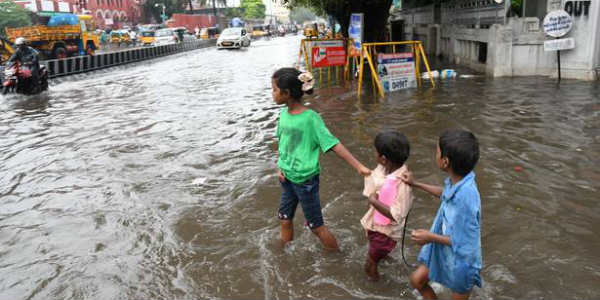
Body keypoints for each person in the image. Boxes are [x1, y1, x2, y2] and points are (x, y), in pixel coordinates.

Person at [272, 67, 371, 251]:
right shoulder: (283, 115)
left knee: (316, 227)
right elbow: (283, 143)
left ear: (287, 93)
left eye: (274, 90)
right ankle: (284, 256)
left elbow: (333, 144)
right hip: (287, 178)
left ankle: (337, 257)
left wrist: (359, 166)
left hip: (305, 181)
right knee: (284, 219)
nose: (272, 93)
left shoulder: (311, 118)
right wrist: (280, 166)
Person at [401, 129, 482, 300]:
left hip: (463, 262)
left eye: (437, 151)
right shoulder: (460, 181)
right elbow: (445, 193)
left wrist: (429, 237)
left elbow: (462, 240)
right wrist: (415, 184)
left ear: (445, 162)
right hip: (445, 250)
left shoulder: (466, 197)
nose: (435, 154)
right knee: (417, 280)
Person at [361, 131, 413, 281]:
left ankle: (377, 288)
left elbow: (397, 215)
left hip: (385, 233)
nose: (374, 154)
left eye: (375, 152)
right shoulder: (386, 168)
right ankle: (381, 257)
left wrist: (374, 201)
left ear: (383, 158)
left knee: (369, 266)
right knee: (377, 256)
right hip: (377, 227)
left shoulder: (402, 183)